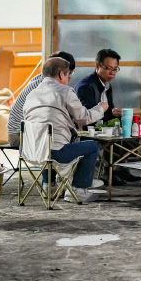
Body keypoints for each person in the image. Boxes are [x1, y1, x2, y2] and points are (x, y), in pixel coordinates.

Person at [23, 57, 106, 203]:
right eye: (69, 76)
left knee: (48, 142)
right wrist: (101, 108)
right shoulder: (65, 91)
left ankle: (49, 185)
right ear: (61, 74)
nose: (68, 80)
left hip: (31, 152)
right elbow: (83, 117)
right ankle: (78, 190)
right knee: (92, 146)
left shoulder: (31, 95)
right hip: (56, 153)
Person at [75, 49, 141, 184]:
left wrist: (115, 112)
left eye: (116, 69)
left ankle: (121, 169)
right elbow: (86, 114)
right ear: (97, 66)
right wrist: (110, 113)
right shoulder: (86, 86)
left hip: (103, 125)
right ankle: (109, 172)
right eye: (108, 68)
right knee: (119, 133)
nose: (112, 72)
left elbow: (108, 109)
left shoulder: (107, 85)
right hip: (88, 129)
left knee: (133, 128)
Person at [6, 51, 76, 147]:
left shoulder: (43, 79)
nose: (70, 76)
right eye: (69, 72)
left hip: (24, 132)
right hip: (19, 136)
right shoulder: (45, 87)